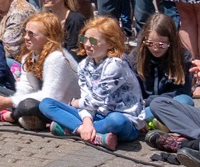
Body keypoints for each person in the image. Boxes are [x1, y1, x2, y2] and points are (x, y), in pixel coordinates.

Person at [34, 16, 143, 150]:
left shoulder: (116, 64)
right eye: (84, 39)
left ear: (110, 44)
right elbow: (88, 100)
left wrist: (76, 102)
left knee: (116, 120)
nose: (86, 44)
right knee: (46, 104)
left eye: (93, 41)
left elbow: (95, 99)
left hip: (123, 118)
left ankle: (70, 128)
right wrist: (86, 123)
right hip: (95, 115)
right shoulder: (84, 65)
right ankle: (87, 133)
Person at [0, 11, 80, 127]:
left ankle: (11, 116)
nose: (26, 37)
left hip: (60, 106)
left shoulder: (57, 58)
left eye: (32, 34)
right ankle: (25, 117)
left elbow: (50, 97)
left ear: (48, 37)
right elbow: (25, 89)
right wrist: (12, 101)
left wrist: (9, 102)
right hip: (37, 99)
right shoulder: (28, 57)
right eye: (26, 32)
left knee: (27, 105)